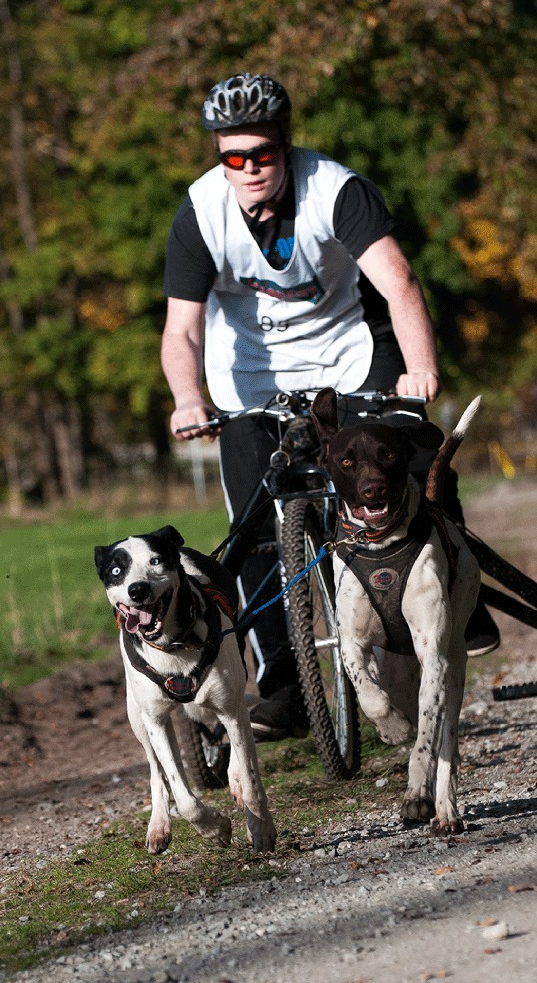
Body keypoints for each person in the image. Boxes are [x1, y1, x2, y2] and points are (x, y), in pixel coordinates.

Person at [161, 72, 499, 739]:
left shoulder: (336, 190)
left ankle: (466, 598)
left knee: (412, 461)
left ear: (285, 148)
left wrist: (419, 367)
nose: (250, 168)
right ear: (218, 157)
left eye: (262, 154)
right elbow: (182, 329)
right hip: (250, 380)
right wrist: (185, 398)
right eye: (234, 157)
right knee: (255, 531)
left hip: (349, 356)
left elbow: (396, 281)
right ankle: (285, 692)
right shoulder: (200, 214)